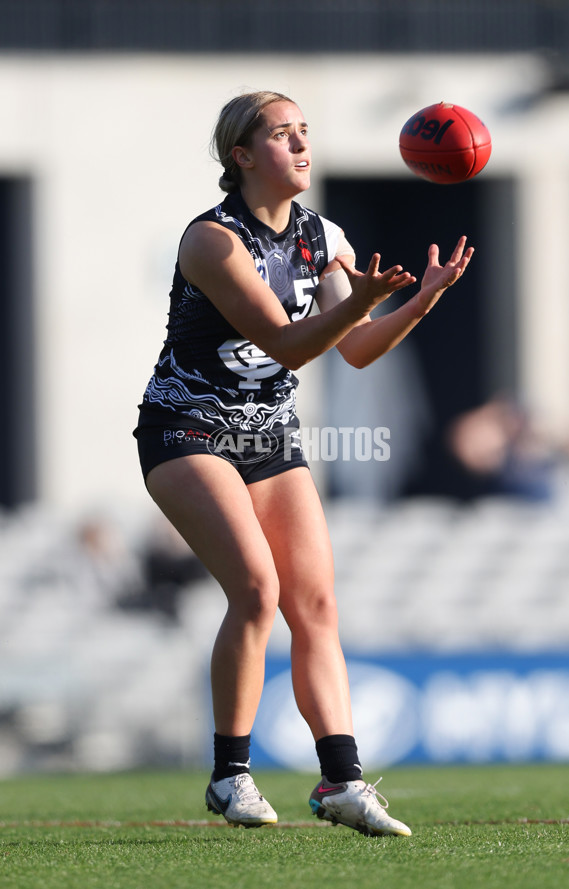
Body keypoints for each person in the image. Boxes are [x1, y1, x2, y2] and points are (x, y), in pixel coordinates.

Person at [133, 90, 473, 837]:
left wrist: (418, 300)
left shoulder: (325, 235)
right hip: (186, 428)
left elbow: (353, 349)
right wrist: (362, 304)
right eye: (282, 135)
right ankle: (231, 774)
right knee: (256, 588)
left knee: (315, 604)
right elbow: (291, 344)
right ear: (243, 156)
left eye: (304, 132)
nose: (301, 145)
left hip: (267, 437)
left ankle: (342, 783)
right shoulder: (213, 241)